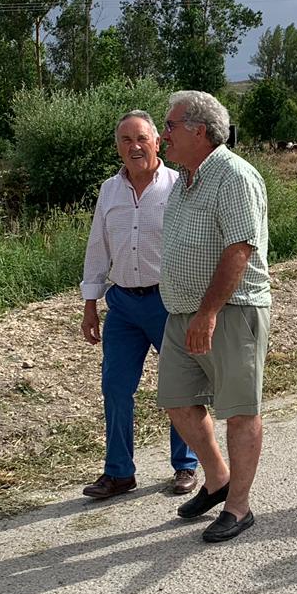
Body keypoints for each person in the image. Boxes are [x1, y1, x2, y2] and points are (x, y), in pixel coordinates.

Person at [158, 90, 271, 542]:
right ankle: (218, 479)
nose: (164, 135)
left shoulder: (233, 176)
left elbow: (239, 248)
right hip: (182, 311)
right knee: (176, 399)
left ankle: (239, 507)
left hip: (230, 310)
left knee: (240, 410)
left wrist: (208, 313)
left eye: (169, 126)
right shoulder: (186, 180)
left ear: (198, 130)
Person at [79, 111, 198, 500]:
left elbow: (197, 246)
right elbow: (98, 247)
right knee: (114, 386)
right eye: (126, 140)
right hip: (124, 306)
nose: (134, 146)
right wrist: (90, 304)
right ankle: (119, 473)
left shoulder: (180, 186)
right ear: (118, 146)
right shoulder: (109, 191)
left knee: (180, 386)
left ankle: (186, 466)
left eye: (142, 138)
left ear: (157, 142)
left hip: (170, 302)